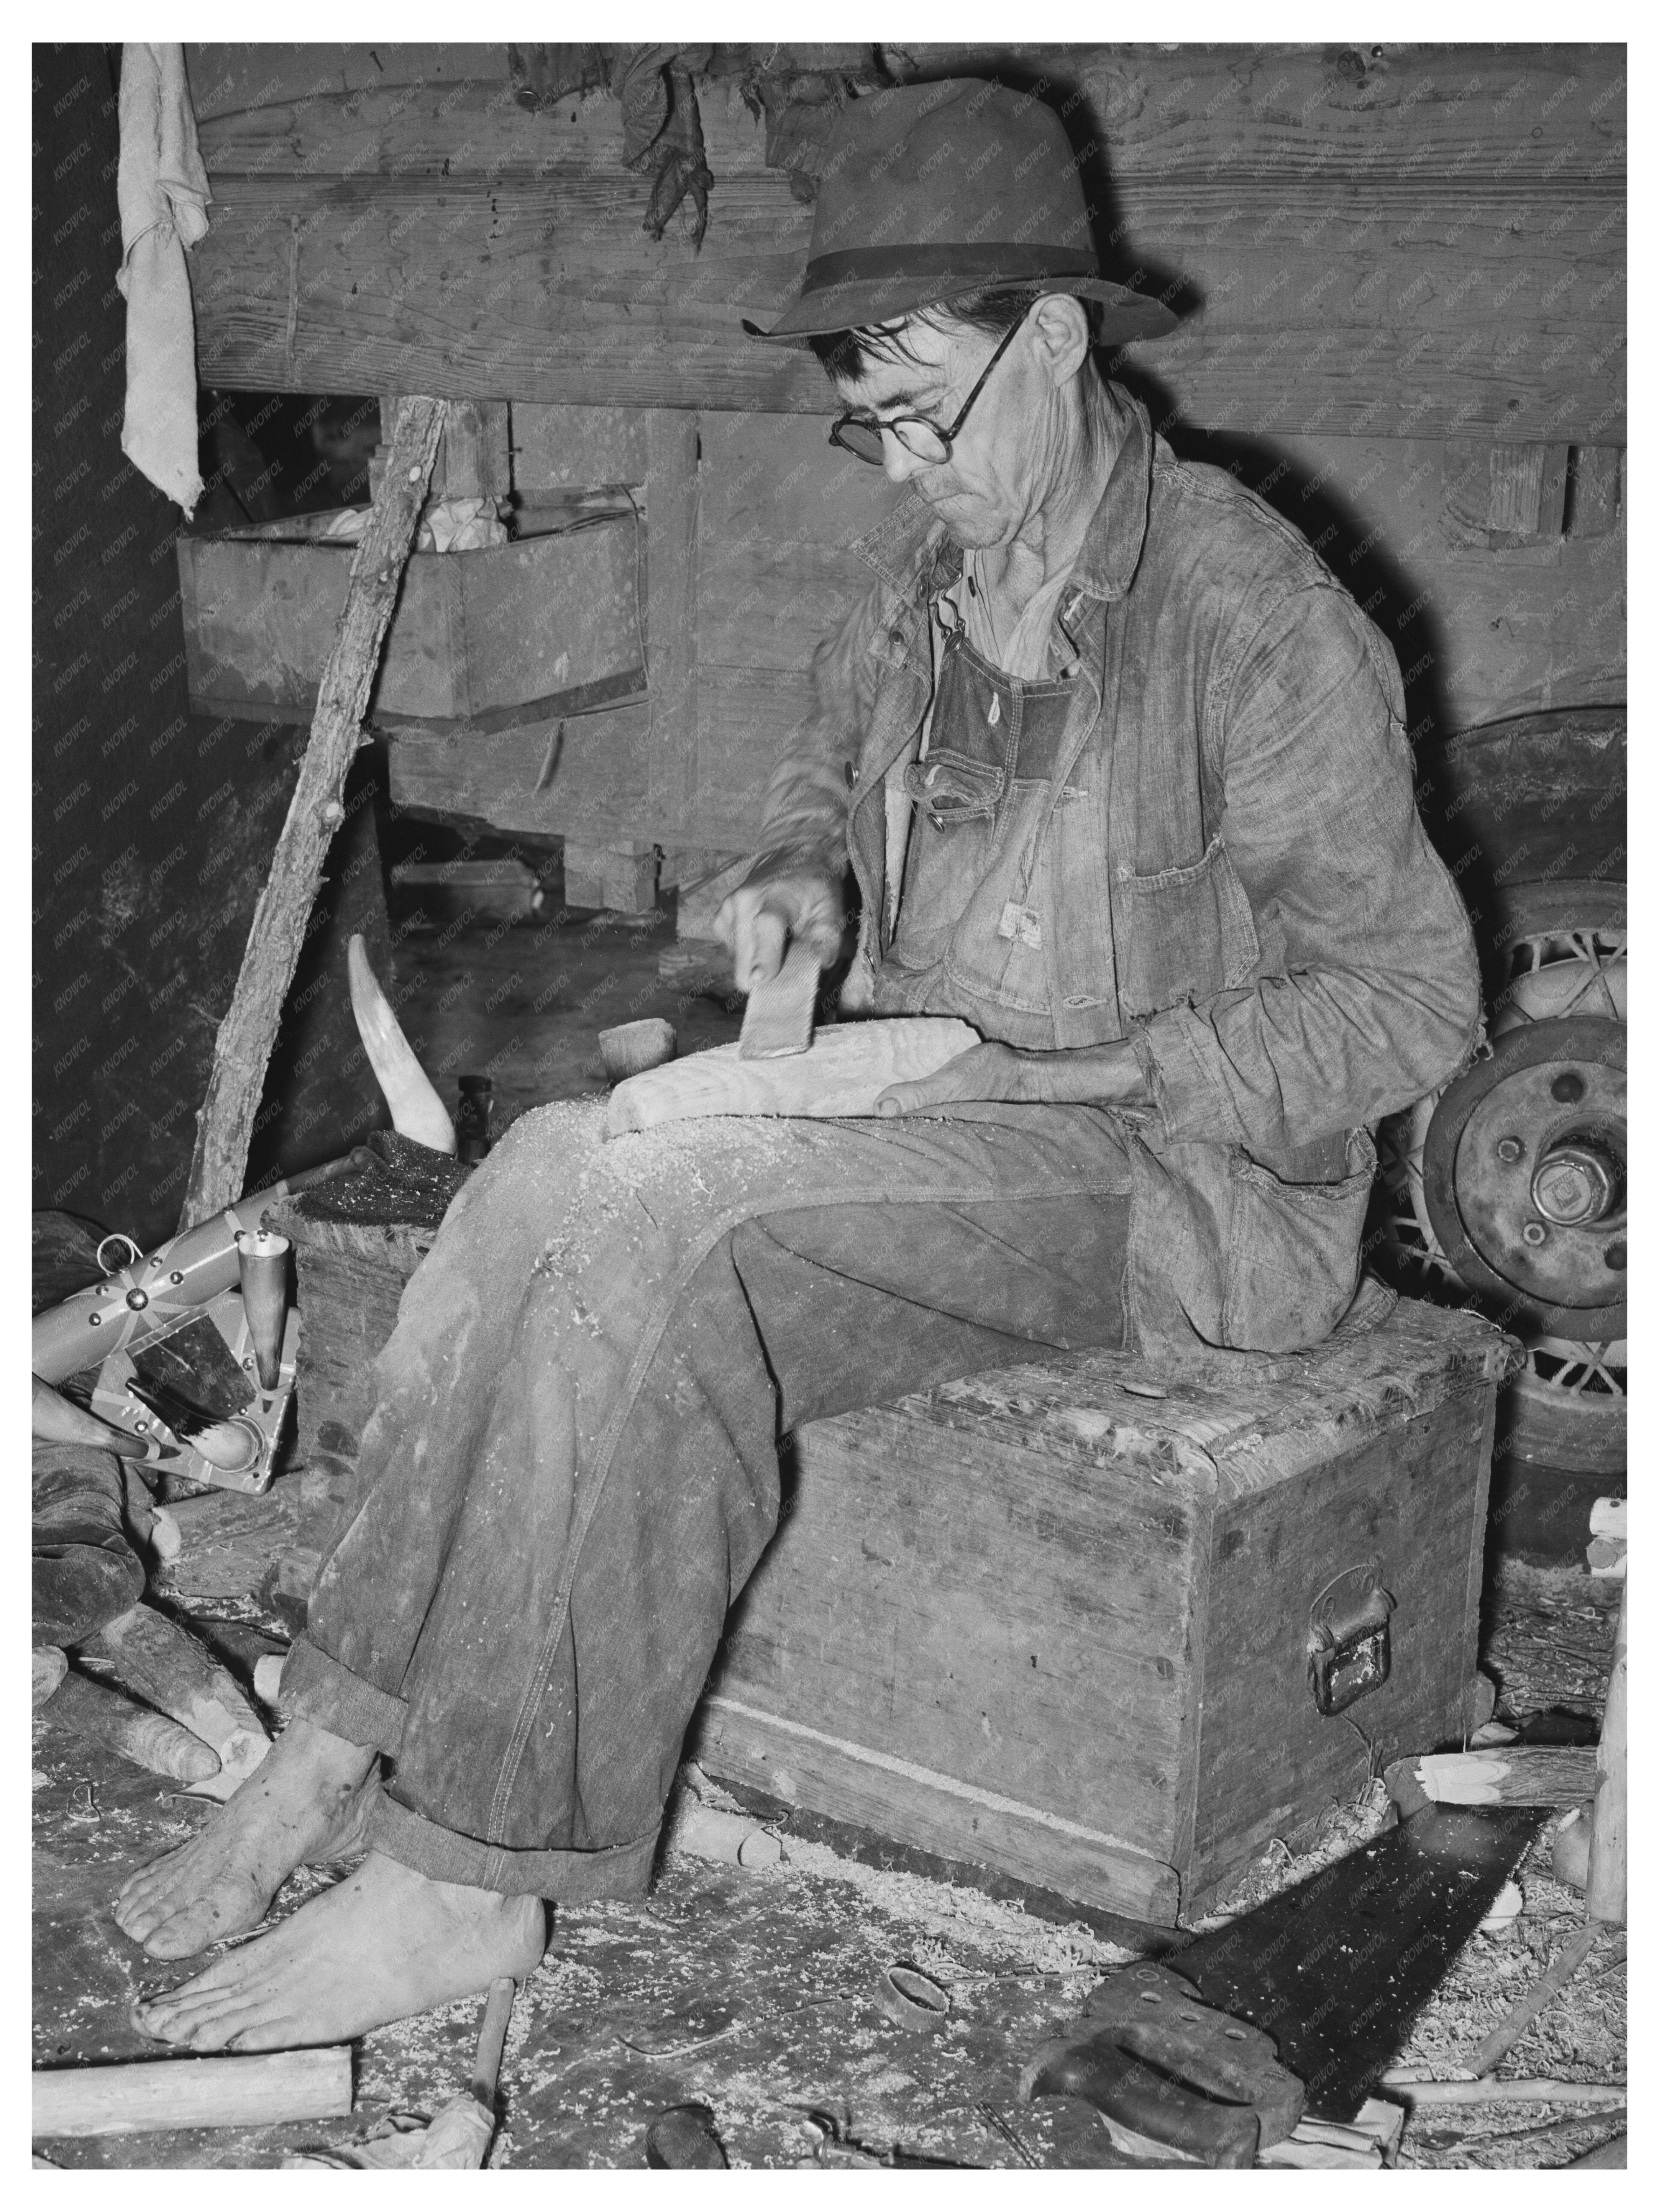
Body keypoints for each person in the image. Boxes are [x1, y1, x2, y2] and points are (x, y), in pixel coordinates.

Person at [120, 79, 1481, 2051]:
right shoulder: (926, 595)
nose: (906, 461)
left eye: (930, 403)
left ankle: (471, 1881)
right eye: (871, 416)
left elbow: (1409, 1006)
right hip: (928, 1119)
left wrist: (1100, 1073)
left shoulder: (1253, 620)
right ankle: (338, 1745)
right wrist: (796, 891)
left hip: (1159, 1180)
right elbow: (816, 787)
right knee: (542, 1176)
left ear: (1063, 340)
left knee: (670, 1223)